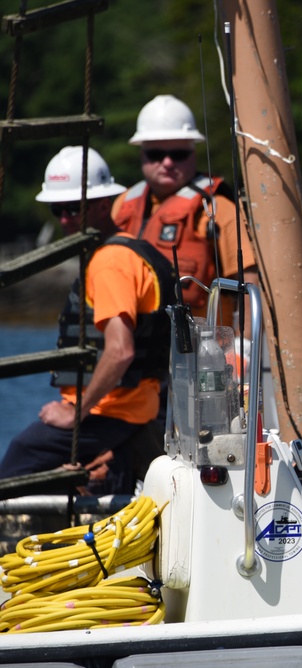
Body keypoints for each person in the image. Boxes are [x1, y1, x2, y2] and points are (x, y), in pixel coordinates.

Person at [0, 146, 176, 494]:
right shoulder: (133, 249)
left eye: (73, 208)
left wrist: (75, 413)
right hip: (136, 408)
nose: (65, 218)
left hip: (113, 412)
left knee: (18, 462)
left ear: (100, 204)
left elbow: (121, 351)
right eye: (57, 209)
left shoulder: (109, 262)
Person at [112, 94, 256, 326]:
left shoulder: (217, 208)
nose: (167, 162)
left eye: (178, 154)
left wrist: (245, 346)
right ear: (142, 154)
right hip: (136, 348)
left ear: (194, 153)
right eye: (156, 154)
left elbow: (250, 281)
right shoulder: (123, 204)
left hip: (202, 352)